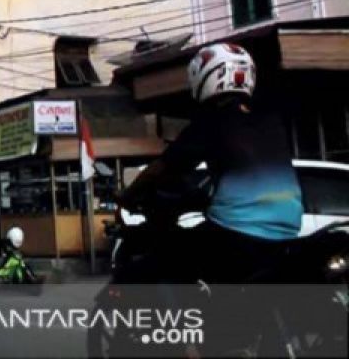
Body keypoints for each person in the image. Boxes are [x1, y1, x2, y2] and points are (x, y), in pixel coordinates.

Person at [119, 43, 303, 284]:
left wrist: (129, 195)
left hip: (237, 230)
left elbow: (163, 170)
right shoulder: (270, 121)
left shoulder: (209, 123)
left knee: (163, 261)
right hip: (289, 229)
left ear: (203, 77)